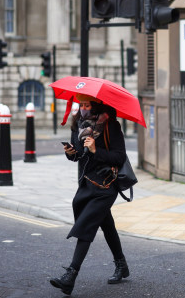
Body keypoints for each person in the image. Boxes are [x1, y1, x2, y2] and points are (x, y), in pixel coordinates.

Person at [49, 93, 129, 295]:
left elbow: (119, 157)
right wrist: (71, 153)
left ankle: (71, 275)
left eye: (87, 104)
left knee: (86, 225)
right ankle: (122, 265)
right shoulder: (78, 124)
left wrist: (95, 150)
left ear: (95, 105)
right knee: (106, 224)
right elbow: (78, 155)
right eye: (81, 104)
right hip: (87, 184)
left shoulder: (111, 125)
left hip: (106, 185)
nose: (83, 108)